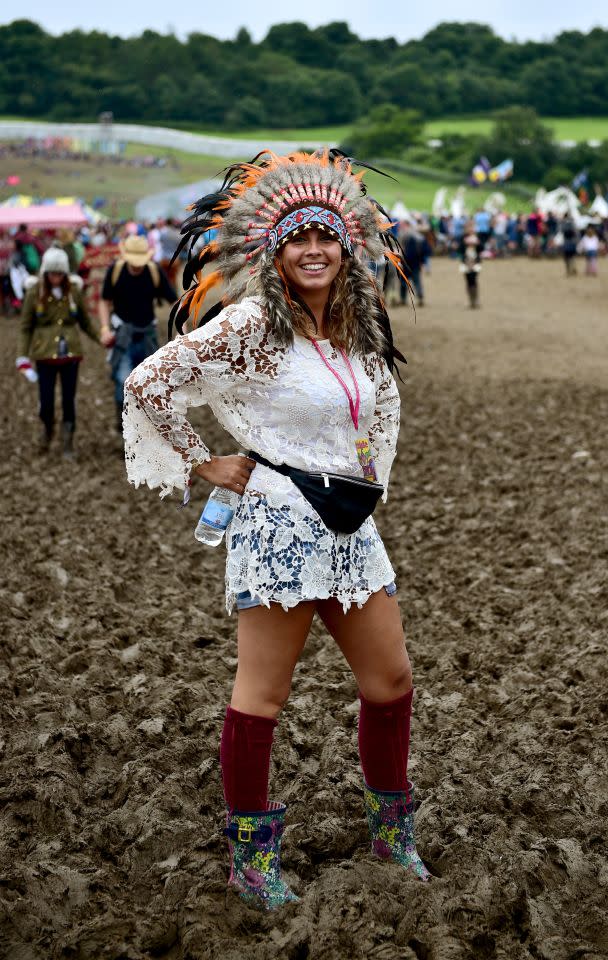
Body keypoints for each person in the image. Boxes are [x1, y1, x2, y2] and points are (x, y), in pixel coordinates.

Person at [123, 150, 431, 911]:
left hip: (350, 529)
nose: (314, 249)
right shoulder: (254, 324)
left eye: (325, 237)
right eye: (298, 239)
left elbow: (381, 410)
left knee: (389, 682)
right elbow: (149, 381)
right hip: (277, 526)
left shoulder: (355, 328)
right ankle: (251, 856)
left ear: (345, 246)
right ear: (275, 251)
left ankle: (391, 834)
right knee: (262, 694)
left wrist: (366, 483)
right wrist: (203, 462)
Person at [19, 247, 102, 457]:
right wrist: (23, 357)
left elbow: (84, 321)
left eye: (60, 273)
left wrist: (101, 339)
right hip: (44, 355)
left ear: (65, 273)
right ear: (45, 273)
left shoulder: (73, 291)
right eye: (52, 273)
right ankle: (47, 429)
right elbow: (26, 327)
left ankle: (68, 441)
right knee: (46, 401)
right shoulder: (34, 292)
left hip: (70, 355)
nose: (55, 278)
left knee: (68, 400)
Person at [98, 234, 177, 430]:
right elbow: (104, 301)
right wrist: (105, 328)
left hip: (147, 334)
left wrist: (182, 331)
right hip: (122, 333)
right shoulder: (115, 271)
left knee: (150, 382)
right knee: (123, 380)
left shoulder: (153, 271)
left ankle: (146, 426)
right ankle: (123, 425)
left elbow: (175, 302)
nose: (137, 266)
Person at [458, 223, 483, 308]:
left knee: (474, 280)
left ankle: (476, 300)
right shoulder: (463, 238)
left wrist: (477, 243)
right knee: (468, 281)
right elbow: (460, 250)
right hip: (466, 263)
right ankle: (470, 300)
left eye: (472, 228)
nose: (470, 229)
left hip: (475, 262)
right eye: (469, 228)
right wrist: (465, 243)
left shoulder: (477, 237)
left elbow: (481, 249)